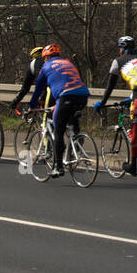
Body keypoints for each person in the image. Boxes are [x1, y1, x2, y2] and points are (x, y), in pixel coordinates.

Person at [94, 36, 137, 178]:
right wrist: (131, 98)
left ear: (121, 49)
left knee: (136, 127)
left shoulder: (118, 61)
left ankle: (133, 166)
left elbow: (110, 85)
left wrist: (102, 102)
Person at [29, 44, 89, 178]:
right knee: (70, 117)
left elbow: (38, 89)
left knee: (58, 130)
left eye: (45, 58)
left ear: (47, 57)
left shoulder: (45, 67)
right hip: (83, 96)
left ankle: (58, 167)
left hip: (65, 96)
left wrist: (32, 105)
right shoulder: (68, 63)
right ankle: (75, 134)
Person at [11, 46, 47, 115]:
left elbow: (25, 87)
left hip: (47, 91)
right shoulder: (54, 61)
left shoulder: (34, 63)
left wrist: (16, 101)